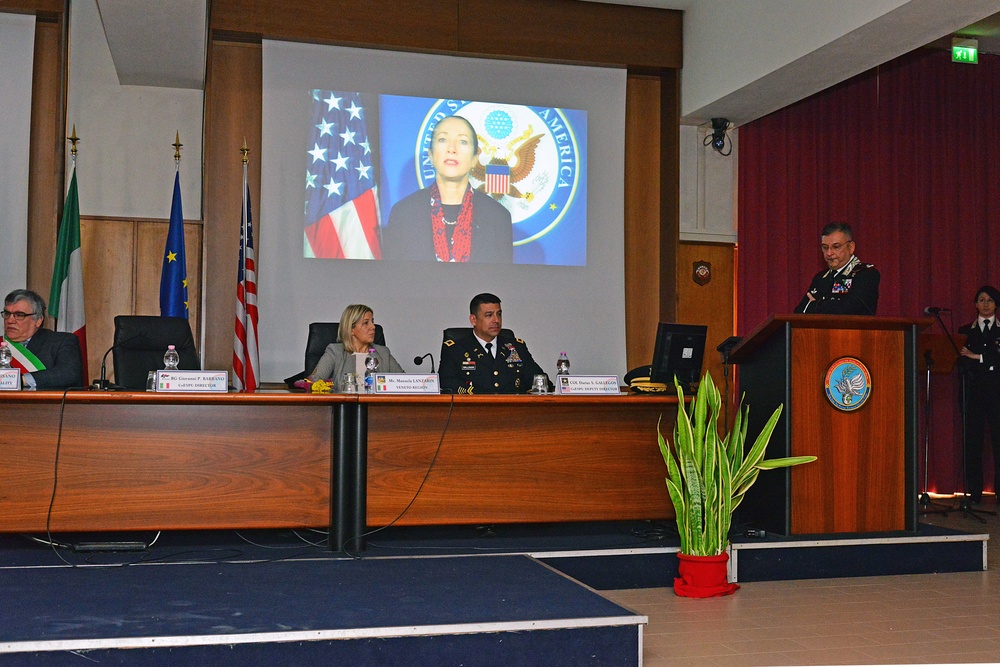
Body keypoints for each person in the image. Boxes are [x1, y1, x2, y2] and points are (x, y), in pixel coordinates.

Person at [383, 115, 513, 263]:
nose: (452, 149)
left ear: (474, 159)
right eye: (442, 140)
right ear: (431, 155)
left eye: (463, 141)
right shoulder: (403, 213)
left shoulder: (497, 217)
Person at [440, 293, 548, 394]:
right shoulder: (455, 349)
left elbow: (539, 380)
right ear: (473, 320)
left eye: (499, 314)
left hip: (513, 410)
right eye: (489, 315)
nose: (496, 320)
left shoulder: (516, 347)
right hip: (474, 409)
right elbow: (446, 382)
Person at [958, 285, 1000, 504]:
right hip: (973, 394)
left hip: (997, 395)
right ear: (975, 304)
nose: (985, 304)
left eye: (990, 300)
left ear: (996, 305)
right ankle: (974, 493)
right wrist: (987, 360)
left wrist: (978, 357)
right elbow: (961, 360)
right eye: (981, 300)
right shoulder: (965, 331)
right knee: (973, 444)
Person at [306, 304, 404, 391]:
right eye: (366, 323)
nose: (373, 327)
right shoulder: (335, 352)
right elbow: (313, 381)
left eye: (372, 322)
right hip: (344, 409)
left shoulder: (383, 352)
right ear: (351, 329)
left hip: (378, 409)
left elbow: (403, 382)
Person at [2, 289, 83, 390]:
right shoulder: (2, 344)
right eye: (7, 314)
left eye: (19, 315)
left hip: (48, 404)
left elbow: (69, 373)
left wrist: (20, 380)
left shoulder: (61, 341)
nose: (10, 320)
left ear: (38, 321)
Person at [794, 222, 880, 315]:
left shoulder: (866, 274)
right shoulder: (820, 278)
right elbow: (799, 312)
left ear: (851, 247)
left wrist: (814, 305)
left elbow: (848, 310)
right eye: (825, 247)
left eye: (836, 247)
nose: (829, 253)